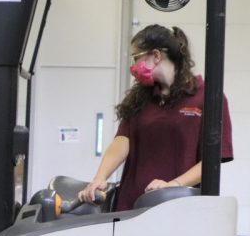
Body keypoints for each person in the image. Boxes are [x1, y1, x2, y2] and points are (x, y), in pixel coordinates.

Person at [79, 24, 233, 211]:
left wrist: (173, 185)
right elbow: (122, 141)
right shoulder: (140, 98)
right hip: (131, 206)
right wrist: (99, 178)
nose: (133, 66)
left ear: (156, 56)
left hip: (178, 207)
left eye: (137, 58)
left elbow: (211, 161)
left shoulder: (207, 97)